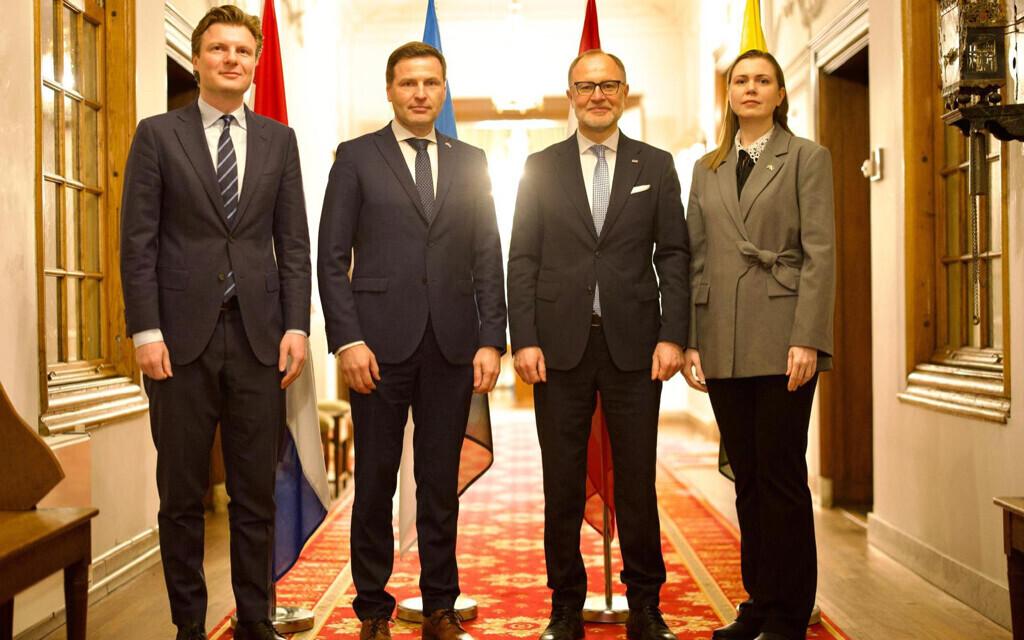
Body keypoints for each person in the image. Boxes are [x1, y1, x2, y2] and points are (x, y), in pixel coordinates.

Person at [119, 5, 310, 640]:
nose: (232, 59)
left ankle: (255, 622)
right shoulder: (157, 135)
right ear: (199, 60)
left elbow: (294, 242)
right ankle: (188, 627)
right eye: (219, 49)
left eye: (243, 51)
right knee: (181, 496)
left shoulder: (280, 141)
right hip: (178, 343)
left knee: (256, 494)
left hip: (259, 340)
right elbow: (138, 242)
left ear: (255, 65)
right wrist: (145, 331)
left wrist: (296, 326)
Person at [317, 41, 506, 640]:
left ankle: (441, 605)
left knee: (437, 484)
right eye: (408, 83)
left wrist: (491, 338)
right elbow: (330, 258)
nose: (420, 93)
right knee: (373, 480)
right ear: (390, 90)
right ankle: (372, 608)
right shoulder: (355, 157)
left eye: (430, 83)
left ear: (443, 89)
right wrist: (347, 341)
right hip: (376, 348)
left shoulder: (471, 160)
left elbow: (486, 256)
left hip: (452, 346)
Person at [507, 49, 689, 640]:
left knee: (636, 482)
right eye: (585, 86)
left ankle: (645, 605)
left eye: (608, 85)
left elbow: (675, 256)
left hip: (636, 350)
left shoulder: (656, 165)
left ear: (625, 91)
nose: (597, 95)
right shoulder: (540, 167)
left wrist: (674, 335)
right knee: (560, 483)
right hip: (557, 351)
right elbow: (523, 260)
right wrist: (524, 339)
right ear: (571, 94)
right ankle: (565, 606)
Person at [681, 49, 835, 640]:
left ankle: (791, 612)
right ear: (727, 93)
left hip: (782, 336)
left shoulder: (806, 158)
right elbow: (696, 257)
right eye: (740, 80)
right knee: (745, 475)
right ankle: (759, 601)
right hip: (722, 339)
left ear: (779, 92)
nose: (750, 88)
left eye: (761, 80)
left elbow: (821, 255)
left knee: (780, 476)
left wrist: (808, 339)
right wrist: (692, 339)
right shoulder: (707, 167)